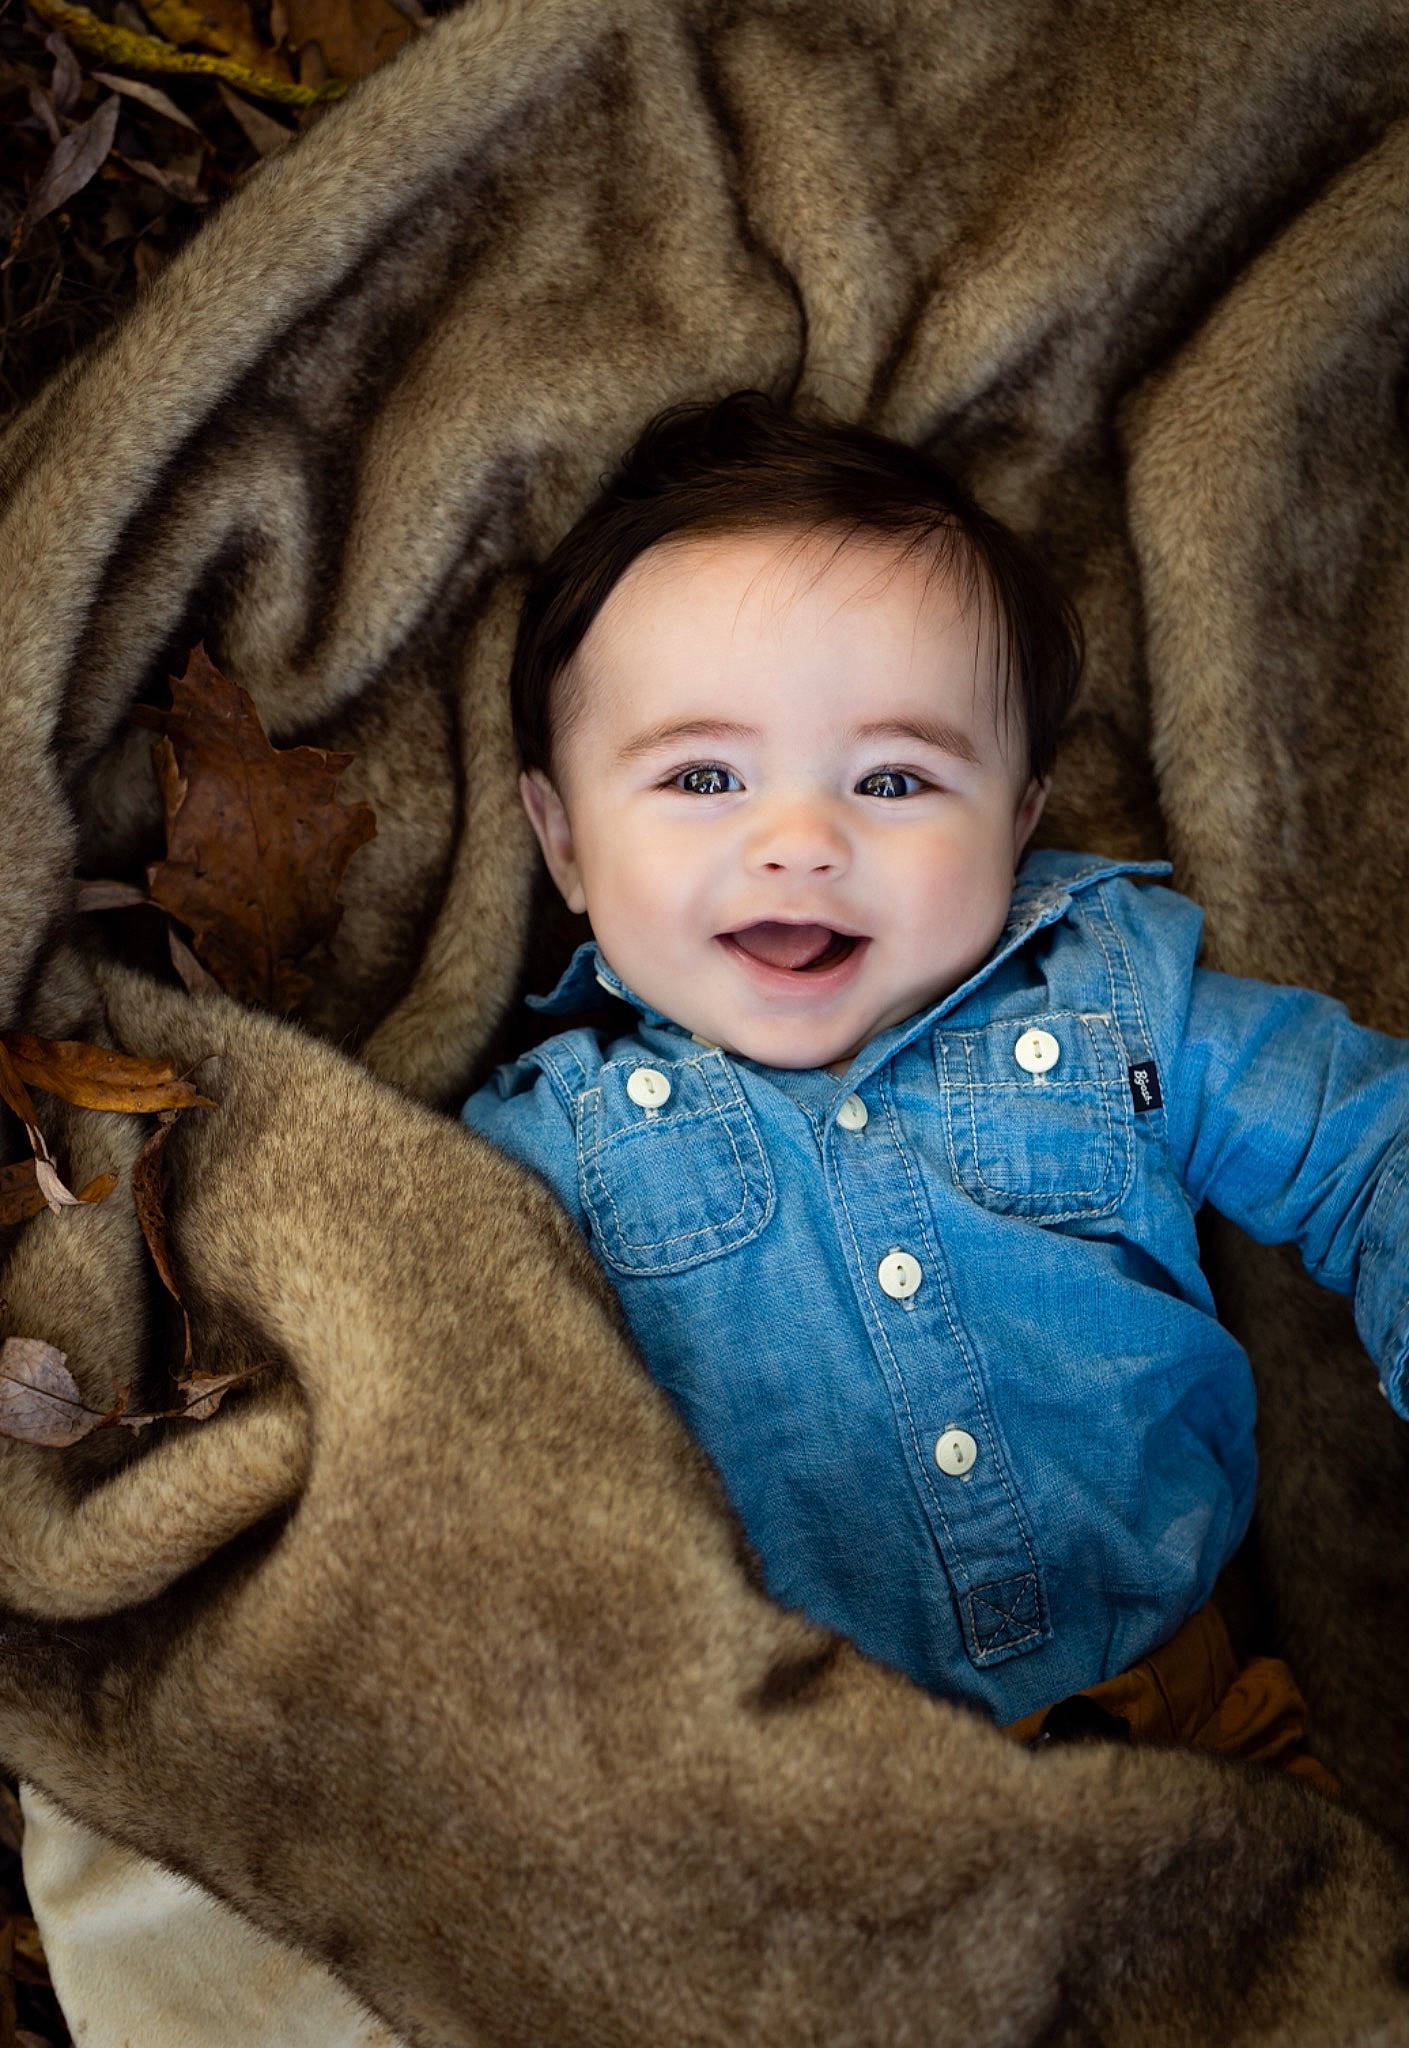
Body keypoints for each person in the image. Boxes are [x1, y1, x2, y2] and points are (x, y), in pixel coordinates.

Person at [462, 390, 1407, 1779]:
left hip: (1191, 1736)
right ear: (562, 843)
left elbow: (1365, 1144)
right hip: (785, 1791)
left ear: (1017, 821)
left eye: (895, 780)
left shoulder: (1110, 1007)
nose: (798, 840)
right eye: (704, 774)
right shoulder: (546, 1151)